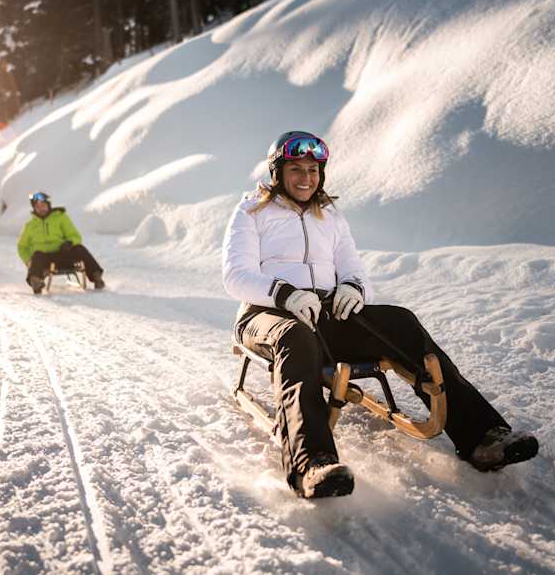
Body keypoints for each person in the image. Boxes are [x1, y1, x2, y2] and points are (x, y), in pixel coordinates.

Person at [221, 131, 538, 499]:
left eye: (313, 169)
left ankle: (482, 437)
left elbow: (354, 269)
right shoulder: (252, 210)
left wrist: (353, 289)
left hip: (323, 314)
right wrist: (284, 294)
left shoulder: (331, 216)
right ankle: (311, 463)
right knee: (295, 337)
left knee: (400, 321)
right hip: (266, 314)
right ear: (277, 171)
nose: (306, 178)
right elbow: (235, 276)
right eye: (296, 169)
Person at [18, 191, 106, 293]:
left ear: (48, 205)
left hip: (63, 255)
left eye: (43, 205)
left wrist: (70, 242)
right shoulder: (30, 226)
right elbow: (22, 247)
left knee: (79, 248)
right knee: (37, 255)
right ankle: (36, 281)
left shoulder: (60, 218)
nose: (41, 208)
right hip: (44, 261)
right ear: (34, 209)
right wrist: (29, 261)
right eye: (37, 206)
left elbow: (75, 236)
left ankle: (96, 277)